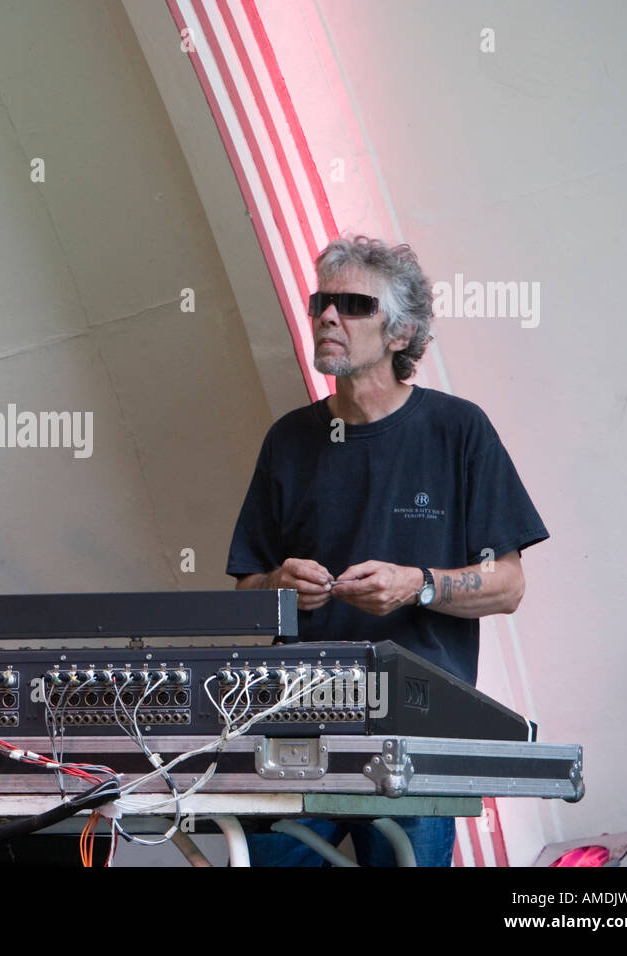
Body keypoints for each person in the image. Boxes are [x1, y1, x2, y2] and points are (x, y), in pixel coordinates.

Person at [226, 235, 549, 866]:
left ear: (401, 333)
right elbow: (245, 596)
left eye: (352, 304)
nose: (327, 316)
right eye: (321, 300)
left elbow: (508, 585)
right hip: (297, 725)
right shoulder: (288, 440)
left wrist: (419, 584)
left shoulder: (458, 429)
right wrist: (278, 589)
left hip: (418, 730)